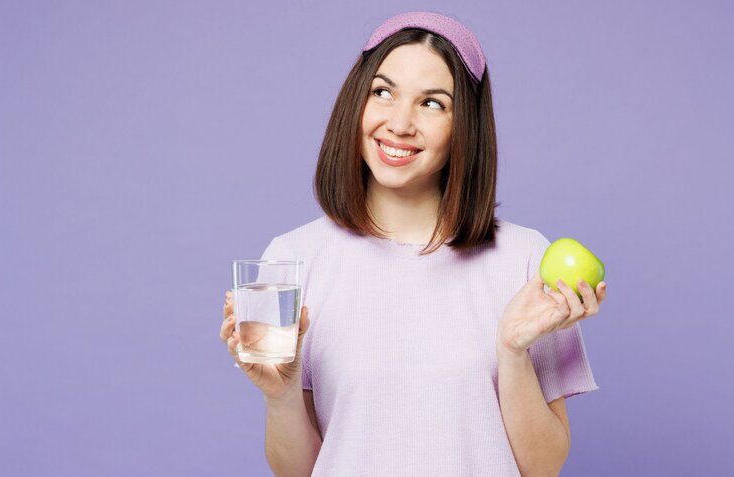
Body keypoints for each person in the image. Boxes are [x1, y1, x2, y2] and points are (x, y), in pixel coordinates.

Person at [219, 11, 607, 477]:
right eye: (383, 92)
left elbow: (542, 468)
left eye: (432, 103)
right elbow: (297, 472)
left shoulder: (525, 262)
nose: (400, 123)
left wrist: (512, 353)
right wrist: (280, 397)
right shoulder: (292, 261)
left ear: (465, 126)